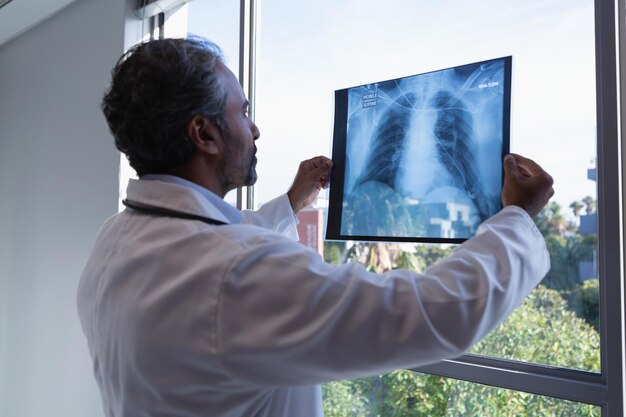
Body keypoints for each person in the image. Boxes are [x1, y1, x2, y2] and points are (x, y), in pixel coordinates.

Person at [77, 37, 554, 417]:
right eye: (242, 112)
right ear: (204, 134)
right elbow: (439, 314)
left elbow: (217, 247)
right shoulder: (234, 276)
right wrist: (515, 217)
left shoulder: (115, 240)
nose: (255, 129)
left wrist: (291, 202)